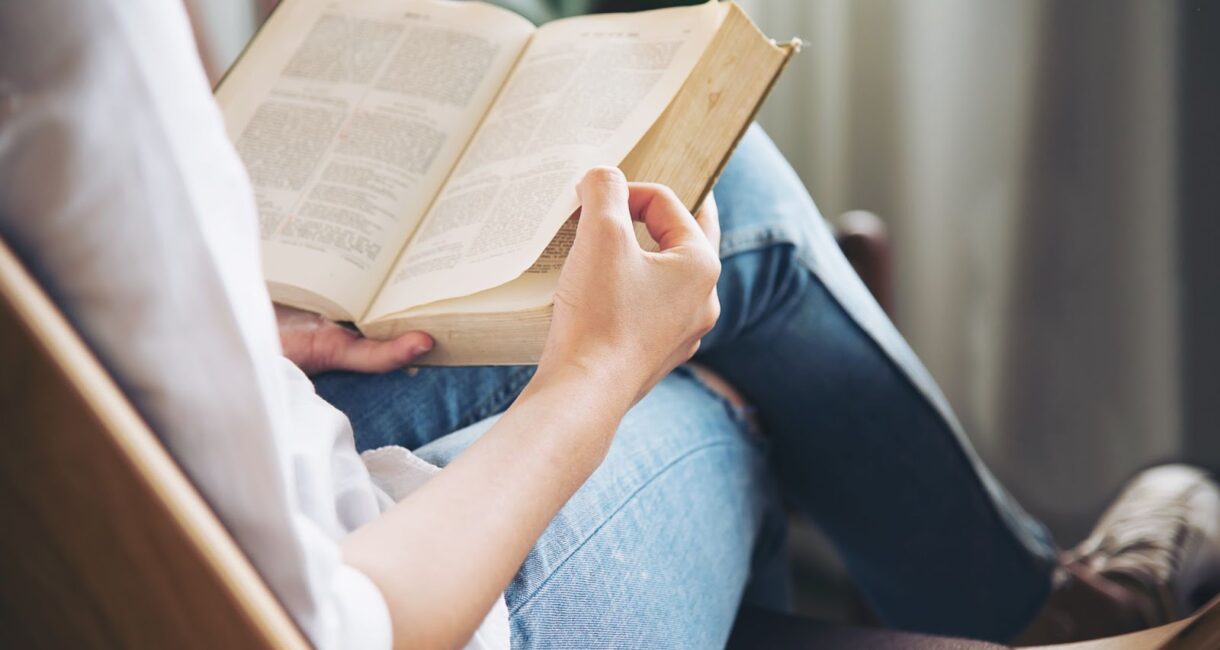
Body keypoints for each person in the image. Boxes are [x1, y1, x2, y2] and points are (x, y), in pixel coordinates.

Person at [2, 1, 1217, 649]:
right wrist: (592, 376)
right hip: (340, 599)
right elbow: (332, 628)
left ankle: (1028, 596)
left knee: (710, 206)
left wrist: (237, 324)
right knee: (706, 372)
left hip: (144, 480)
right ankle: (1043, 611)